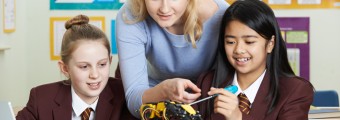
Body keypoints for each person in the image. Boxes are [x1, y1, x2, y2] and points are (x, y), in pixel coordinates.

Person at [195, 0, 314, 120]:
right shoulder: (207, 82)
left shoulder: (295, 90)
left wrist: (238, 117)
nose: (239, 50)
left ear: (270, 44)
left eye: (249, 42)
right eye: (230, 42)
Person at [115, 0, 229, 118]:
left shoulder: (223, 15)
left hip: (206, 99)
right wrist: (164, 91)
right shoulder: (130, 14)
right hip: (153, 96)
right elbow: (134, 99)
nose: (164, 9)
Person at [16, 15, 136, 120]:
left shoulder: (125, 97)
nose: (95, 75)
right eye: (84, 66)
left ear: (110, 61)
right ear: (65, 68)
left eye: (102, 64)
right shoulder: (41, 98)